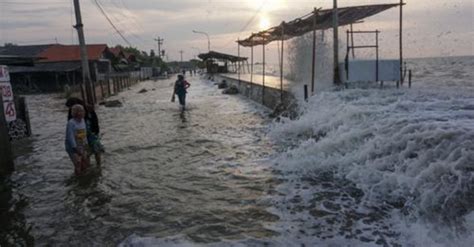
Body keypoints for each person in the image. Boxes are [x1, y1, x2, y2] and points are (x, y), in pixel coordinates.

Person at [65, 97, 104, 166]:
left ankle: (98, 166)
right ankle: (91, 167)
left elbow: (95, 120)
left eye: (70, 106)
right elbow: (70, 124)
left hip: (91, 132)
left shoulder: (88, 108)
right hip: (81, 135)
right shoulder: (72, 112)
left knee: (96, 150)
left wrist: (96, 131)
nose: (71, 108)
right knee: (87, 153)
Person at [65, 104, 89, 175]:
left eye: (83, 111)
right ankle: (78, 180)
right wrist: (75, 148)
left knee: (85, 164)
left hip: (82, 145)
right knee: (78, 164)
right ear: (77, 113)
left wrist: (86, 145)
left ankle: (84, 180)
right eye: (81, 111)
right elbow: (70, 137)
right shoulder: (71, 123)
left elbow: (84, 134)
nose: (84, 112)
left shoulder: (83, 120)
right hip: (73, 148)